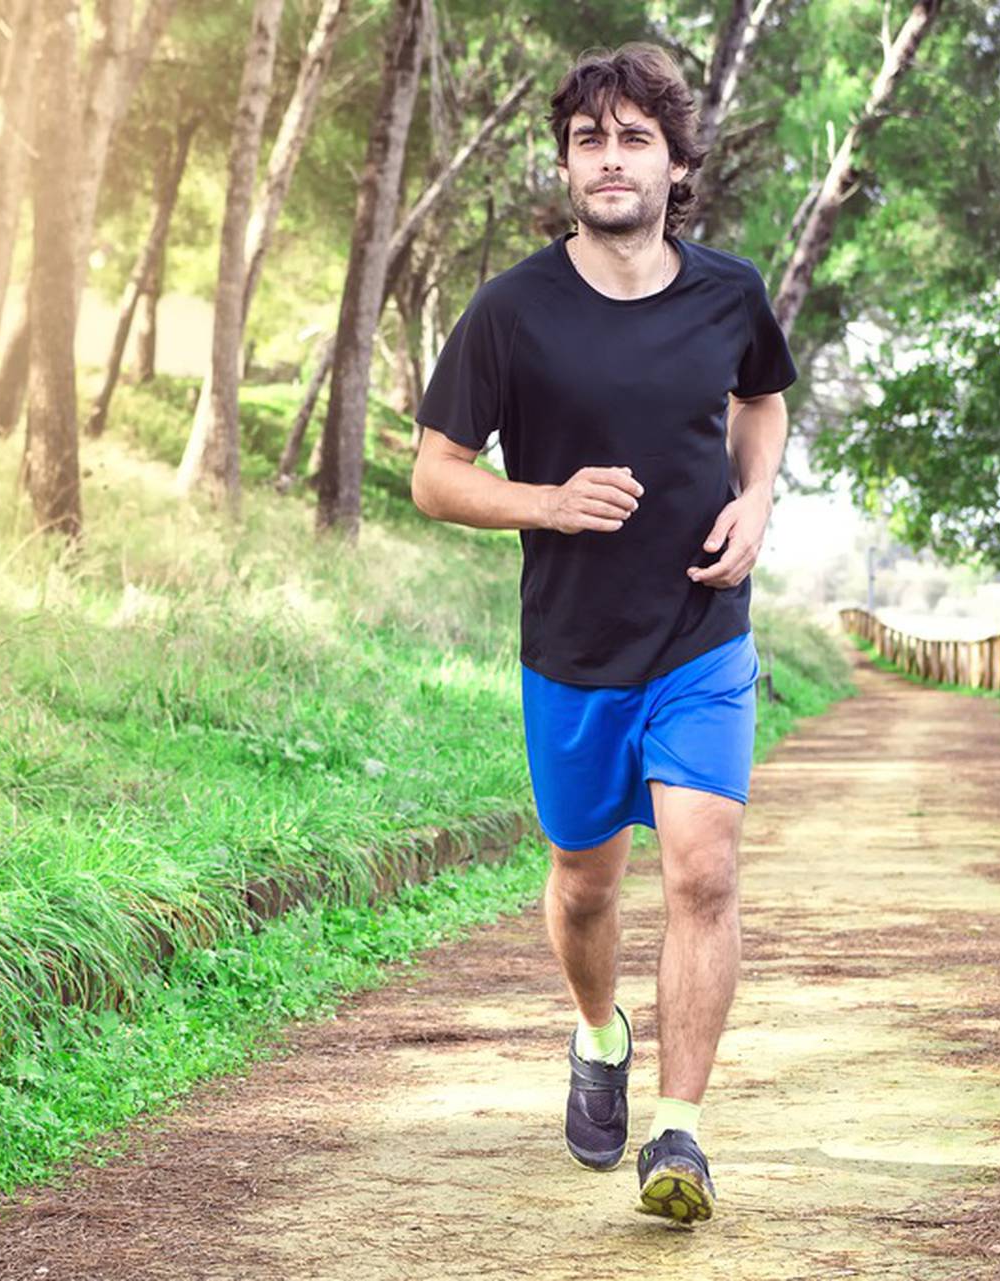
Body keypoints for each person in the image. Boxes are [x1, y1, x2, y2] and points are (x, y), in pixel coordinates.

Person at [409, 42, 796, 1227]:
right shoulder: (509, 312)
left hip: (700, 635)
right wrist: (546, 502)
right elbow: (433, 476)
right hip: (571, 649)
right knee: (585, 884)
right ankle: (597, 1030)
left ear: (676, 164)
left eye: (635, 139)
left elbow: (764, 401)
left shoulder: (729, 293)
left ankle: (680, 1131)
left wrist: (757, 500)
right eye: (590, 139)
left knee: (704, 869)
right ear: (567, 164)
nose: (611, 158)